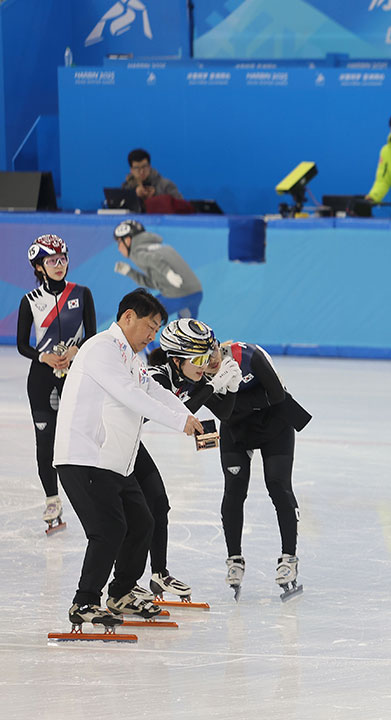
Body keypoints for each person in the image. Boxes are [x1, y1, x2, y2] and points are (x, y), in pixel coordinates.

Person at [53, 289, 202, 629]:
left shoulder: (129, 358)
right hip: (82, 456)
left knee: (142, 522)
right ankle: (84, 602)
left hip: (113, 462)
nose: (153, 336)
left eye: (158, 328)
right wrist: (180, 423)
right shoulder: (101, 349)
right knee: (108, 530)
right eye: (151, 326)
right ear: (128, 317)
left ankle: (120, 593)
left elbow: (154, 390)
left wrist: (190, 418)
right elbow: (130, 394)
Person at [199, 336, 312, 600]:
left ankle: (289, 558)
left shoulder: (248, 356)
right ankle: (234, 560)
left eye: (214, 351)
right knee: (234, 491)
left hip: (275, 424)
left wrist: (235, 403)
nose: (213, 360)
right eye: (205, 359)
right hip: (238, 429)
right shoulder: (198, 376)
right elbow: (224, 415)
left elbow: (277, 395)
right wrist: (249, 403)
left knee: (278, 484)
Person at [133, 319, 231, 601]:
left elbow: (224, 413)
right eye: (198, 358)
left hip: (130, 444)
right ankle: (123, 583)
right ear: (176, 359)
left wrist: (230, 385)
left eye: (208, 355)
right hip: (107, 444)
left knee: (159, 505)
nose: (205, 363)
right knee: (130, 516)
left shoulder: (191, 376)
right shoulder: (156, 375)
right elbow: (174, 413)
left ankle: (159, 575)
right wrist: (211, 389)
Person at [16, 235, 96, 532]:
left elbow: (92, 333)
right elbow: (23, 345)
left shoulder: (82, 293)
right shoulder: (30, 302)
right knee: (45, 442)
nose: (59, 265)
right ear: (39, 267)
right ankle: (52, 499)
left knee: (81, 439)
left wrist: (76, 351)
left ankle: (90, 495)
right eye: (52, 261)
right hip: (41, 381)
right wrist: (44, 357)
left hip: (76, 377)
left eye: (63, 259)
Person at [113, 220, 203, 321]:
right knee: (187, 330)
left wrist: (168, 273)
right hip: (196, 293)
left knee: (141, 317)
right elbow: (156, 284)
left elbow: (153, 259)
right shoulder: (161, 246)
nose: (118, 248)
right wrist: (129, 272)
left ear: (128, 240)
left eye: (119, 242)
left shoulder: (136, 252)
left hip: (177, 295)